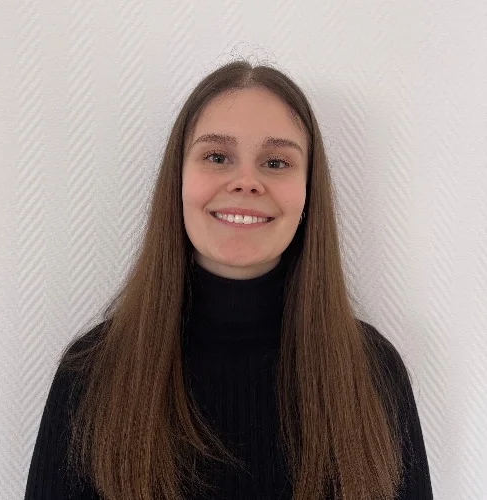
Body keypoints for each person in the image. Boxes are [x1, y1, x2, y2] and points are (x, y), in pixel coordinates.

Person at [24, 59, 433, 499]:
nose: (246, 182)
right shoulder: (91, 374)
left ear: (308, 191)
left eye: (276, 161)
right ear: (178, 180)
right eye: (217, 157)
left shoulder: (372, 372)